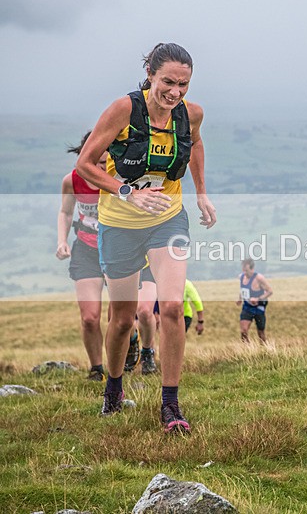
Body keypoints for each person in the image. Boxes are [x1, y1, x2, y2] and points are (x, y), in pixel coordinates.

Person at [76, 43, 216, 434]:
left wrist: (201, 192)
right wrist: (127, 192)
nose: (175, 92)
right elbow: (84, 165)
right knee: (122, 320)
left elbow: (197, 143)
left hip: (167, 220)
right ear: (150, 74)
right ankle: (114, 389)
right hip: (119, 223)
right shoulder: (123, 110)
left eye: (183, 85)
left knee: (170, 307)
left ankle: (170, 404)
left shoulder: (191, 114)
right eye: (168, 82)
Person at [56, 131, 106, 382]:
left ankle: (131, 343)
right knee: (89, 317)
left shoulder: (121, 180)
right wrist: (62, 241)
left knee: (124, 317)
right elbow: (65, 212)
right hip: (85, 249)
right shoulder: (72, 181)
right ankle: (96, 368)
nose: (101, 163)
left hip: (119, 250)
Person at [236, 259, 273, 344]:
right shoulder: (241, 277)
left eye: (247, 270)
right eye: (243, 270)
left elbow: (270, 291)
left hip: (258, 308)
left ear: (252, 269)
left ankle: (264, 350)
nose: (245, 273)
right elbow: (243, 289)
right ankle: (248, 351)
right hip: (247, 307)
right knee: (243, 331)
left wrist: (258, 298)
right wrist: (240, 298)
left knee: (261, 333)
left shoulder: (259, 278)